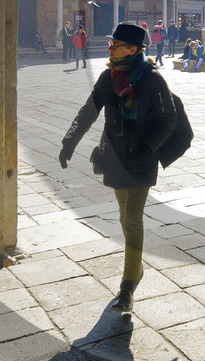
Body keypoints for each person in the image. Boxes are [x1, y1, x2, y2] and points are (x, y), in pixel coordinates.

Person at [59, 23, 178, 313]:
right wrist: (69, 141)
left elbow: (169, 119)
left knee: (132, 218)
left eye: (116, 44)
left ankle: (127, 288)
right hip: (113, 155)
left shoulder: (152, 80)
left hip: (141, 159)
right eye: (111, 42)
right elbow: (89, 110)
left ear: (134, 49)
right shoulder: (108, 77)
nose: (110, 47)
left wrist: (148, 148)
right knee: (125, 217)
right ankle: (135, 269)